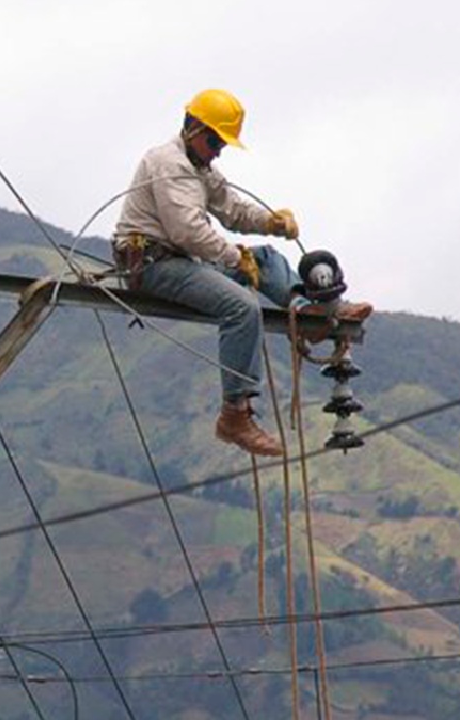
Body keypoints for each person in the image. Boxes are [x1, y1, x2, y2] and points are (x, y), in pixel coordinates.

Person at [111, 88, 372, 457]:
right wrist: (234, 258)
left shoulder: (200, 168)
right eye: (215, 140)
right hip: (153, 266)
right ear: (193, 128)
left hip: (182, 260)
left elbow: (231, 208)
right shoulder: (167, 164)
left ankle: (312, 312)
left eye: (222, 143)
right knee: (241, 308)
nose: (218, 150)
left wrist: (271, 223)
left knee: (265, 258)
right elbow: (187, 230)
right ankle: (235, 414)